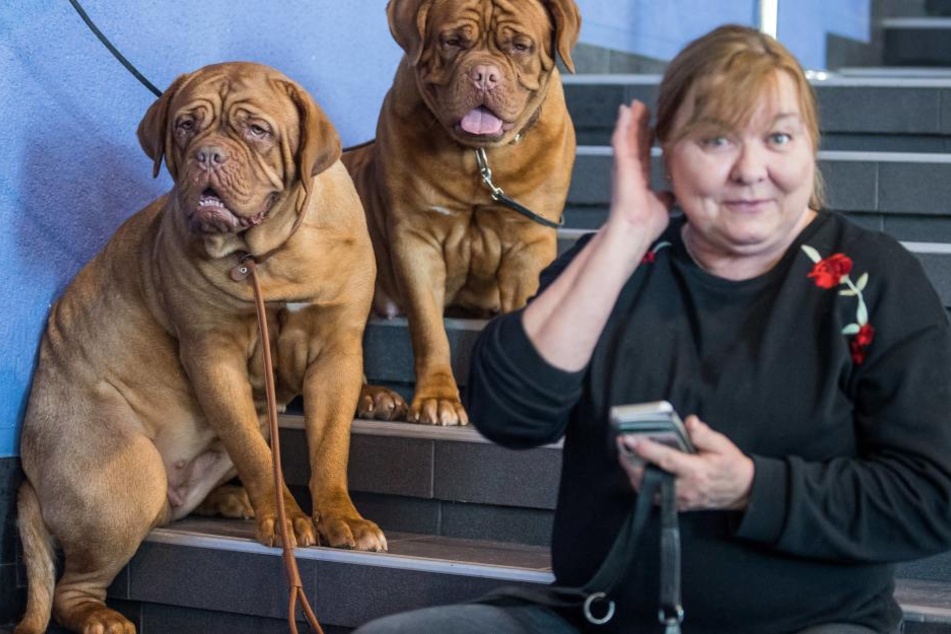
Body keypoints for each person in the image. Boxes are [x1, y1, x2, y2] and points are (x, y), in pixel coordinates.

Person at [354, 24, 951, 634]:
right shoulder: (618, 263)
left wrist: (749, 487)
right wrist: (624, 235)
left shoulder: (870, 280)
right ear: (662, 148)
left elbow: (933, 496)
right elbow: (509, 412)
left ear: (809, 146)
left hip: (811, 623)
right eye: (716, 140)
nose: (751, 170)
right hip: (604, 617)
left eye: (778, 137)